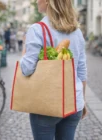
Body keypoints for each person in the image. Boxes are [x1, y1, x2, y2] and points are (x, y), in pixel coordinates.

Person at [20, 0, 87, 140]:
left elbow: (27, 69)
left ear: (48, 2)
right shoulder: (77, 32)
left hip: (47, 104)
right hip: (75, 101)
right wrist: (83, 100)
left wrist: (24, 49)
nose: (37, 1)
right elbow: (81, 71)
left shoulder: (37, 29)